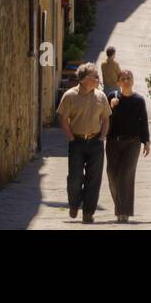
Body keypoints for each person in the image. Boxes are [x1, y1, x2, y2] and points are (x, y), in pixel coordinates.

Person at [56, 63, 111, 224]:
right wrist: (70, 137)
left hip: (95, 142)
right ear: (86, 78)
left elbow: (106, 118)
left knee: (94, 179)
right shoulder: (70, 96)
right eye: (96, 76)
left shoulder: (101, 96)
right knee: (75, 178)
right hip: (77, 142)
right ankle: (74, 204)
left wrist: (102, 136)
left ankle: (88, 212)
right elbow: (62, 117)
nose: (98, 79)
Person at [106, 70, 150, 223]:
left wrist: (147, 142)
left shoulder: (138, 100)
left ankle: (123, 212)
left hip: (133, 142)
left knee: (125, 175)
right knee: (112, 174)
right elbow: (103, 117)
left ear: (132, 80)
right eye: (123, 78)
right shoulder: (112, 97)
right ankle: (120, 206)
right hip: (113, 142)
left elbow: (143, 121)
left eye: (128, 78)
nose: (126, 80)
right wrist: (111, 107)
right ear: (118, 82)